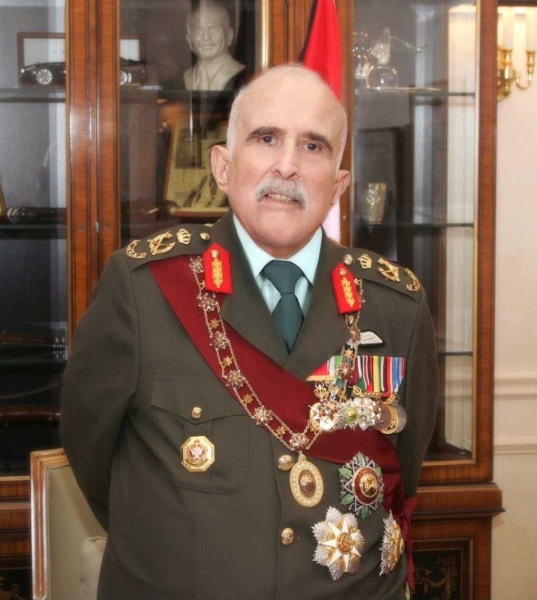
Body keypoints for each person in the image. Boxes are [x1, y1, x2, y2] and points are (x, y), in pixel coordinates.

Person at [61, 64, 438, 600]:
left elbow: (403, 473)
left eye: (313, 146)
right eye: (266, 138)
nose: (287, 165)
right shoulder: (142, 290)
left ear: (338, 185)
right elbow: (96, 460)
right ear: (222, 165)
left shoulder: (396, 305)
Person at [183, 1, 246, 91]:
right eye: (198, 30)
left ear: (229, 36)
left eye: (213, 29)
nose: (206, 37)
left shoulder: (242, 76)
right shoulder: (186, 77)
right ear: (189, 39)